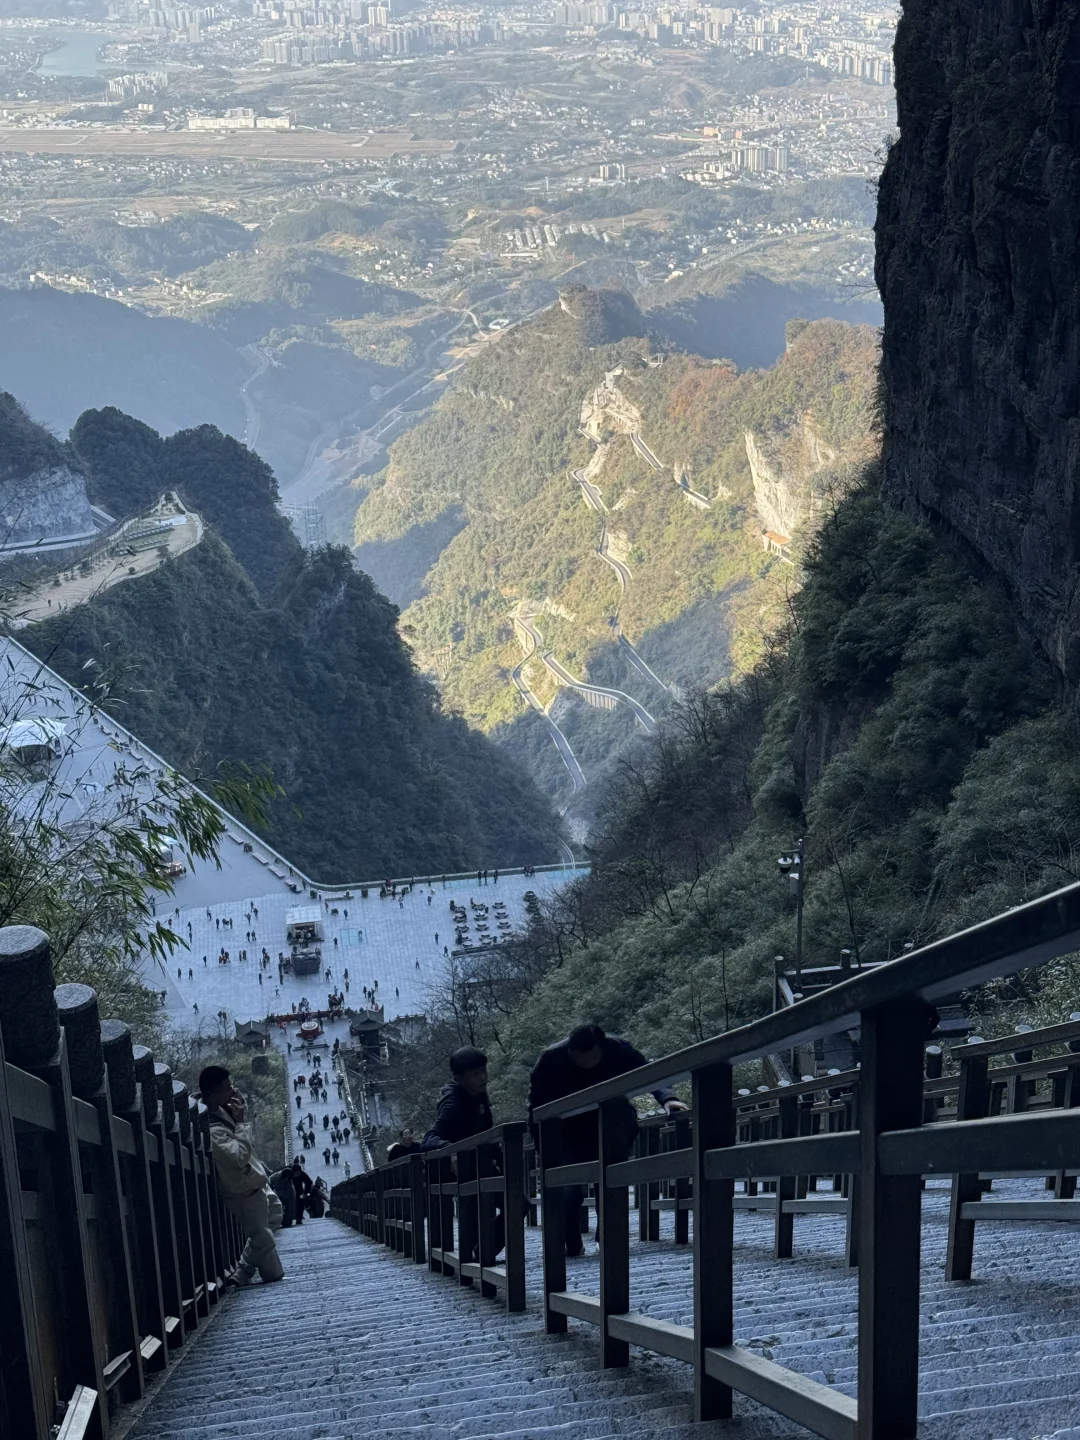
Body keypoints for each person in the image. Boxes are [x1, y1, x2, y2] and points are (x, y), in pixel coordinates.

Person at [527, 1024, 688, 1257]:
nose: (587, 1063)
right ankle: (571, 1243)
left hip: (610, 1124)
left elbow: (650, 1074)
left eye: (592, 1057)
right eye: (580, 1059)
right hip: (566, 1132)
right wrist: (543, 1148)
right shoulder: (550, 1059)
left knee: (609, 1180)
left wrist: (667, 1098)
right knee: (568, 1190)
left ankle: (607, 1237)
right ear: (570, 1051)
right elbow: (535, 1108)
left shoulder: (619, 1049)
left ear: (601, 1047)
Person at [199, 1065, 284, 1285]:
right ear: (214, 1094)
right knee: (261, 1235)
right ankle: (269, 1274)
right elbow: (237, 1156)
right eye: (228, 1088)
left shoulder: (223, 1109)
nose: (233, 1091)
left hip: (254, 1180)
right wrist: (241, 1123)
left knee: (274, 1213)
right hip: (242, 1188)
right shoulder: (210, 1127)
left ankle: (243, 1271)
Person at [421, 1047, 494, 1150]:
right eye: (475, 1074)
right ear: (459, 1078)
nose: (483, 1077)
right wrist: (449, 1148)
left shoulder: (479, 1092)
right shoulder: (452, 1103)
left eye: (484, 1070)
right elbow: (428, 1139)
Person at [290, 1155, 313, 1224]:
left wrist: (306, 1193)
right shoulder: (289, 1174)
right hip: (290, 1191)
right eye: (297, 1173)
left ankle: (299, 1219)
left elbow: (309, 1182)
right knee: (292, 1206)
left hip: (299, 1191)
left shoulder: (302, 1174)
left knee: (301, 1204)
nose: (299, 1174)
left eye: (300, 1172)